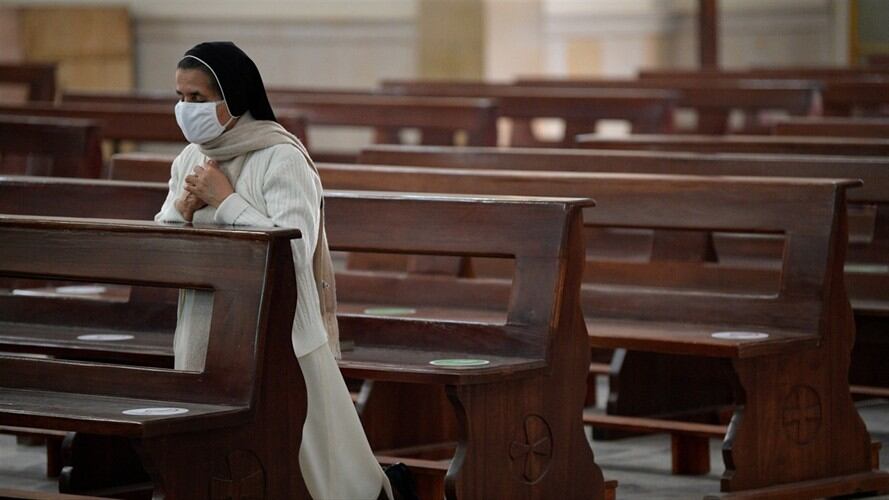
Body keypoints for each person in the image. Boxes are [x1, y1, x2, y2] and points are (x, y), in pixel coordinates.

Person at [155, 41, 403, 500]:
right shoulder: (189, 159)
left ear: (232, 97)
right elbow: (164, 249)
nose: (185, 110)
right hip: (205, 327)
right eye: (180, 98)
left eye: (197, 99)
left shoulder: (281, 157)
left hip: (280, 334)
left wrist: (226, 201)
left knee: (309, 463)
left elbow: (293, 251)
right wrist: (182, 212)